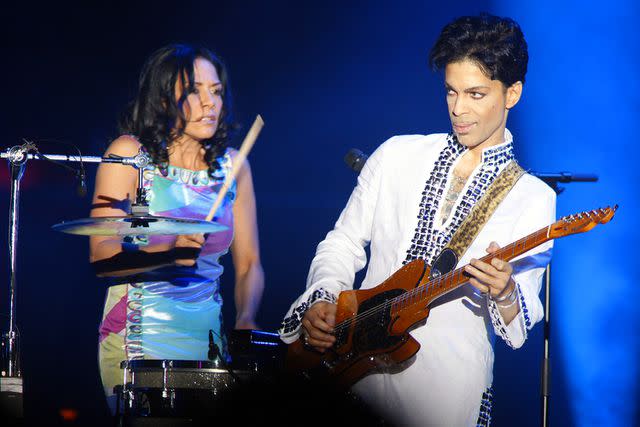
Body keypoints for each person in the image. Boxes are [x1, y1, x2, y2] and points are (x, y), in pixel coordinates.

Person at [279, 14, 555, 426]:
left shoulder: (533, 198)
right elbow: (343, 243)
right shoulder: (396, 154)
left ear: (512, 92)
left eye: (476, 94)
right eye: (451, 91)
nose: (459, 109)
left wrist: (504, 291)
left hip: (445, 390)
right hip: (356, 375)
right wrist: (324, 299)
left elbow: (518, 326)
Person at [90, 44, 264, 410]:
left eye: (215, 91)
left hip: (208, 338)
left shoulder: (235, 166)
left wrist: (247, 316)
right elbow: (101, 255)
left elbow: (248, 264)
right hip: (139, 336)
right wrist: (168, 255)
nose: (209, 103)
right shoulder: (128, 154)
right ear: (165, 99)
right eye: (194, 91)